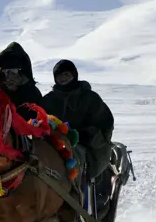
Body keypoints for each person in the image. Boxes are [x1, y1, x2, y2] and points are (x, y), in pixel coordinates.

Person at [41, 59, 115, 200]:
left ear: (74, 75)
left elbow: (105, 124)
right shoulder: (48, 101)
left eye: (67, 74)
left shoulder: (90, 98)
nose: (63, 78)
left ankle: (77, 198)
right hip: (53, 144)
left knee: (75, 160)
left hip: (86, 147)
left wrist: (88, 134)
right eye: (60, 75)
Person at [0, 42, 43, 121]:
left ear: (22, 74)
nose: (10, 77)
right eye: (6, 72)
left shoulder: (33, 94)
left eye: (14, 71)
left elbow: (42, 121)